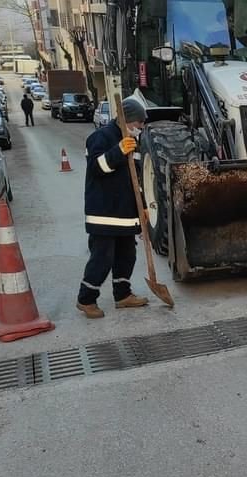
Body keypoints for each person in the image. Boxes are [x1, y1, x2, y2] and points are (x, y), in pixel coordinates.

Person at [76, 98, 149, 318]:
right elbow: (97, 168)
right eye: (137, 123)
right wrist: (117, 151)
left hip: (126, 214)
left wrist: (143, 208)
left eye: (142, 124)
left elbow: (135, 179)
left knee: (127, 256)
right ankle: (86, 299)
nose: (140, 128)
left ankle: (122, 294)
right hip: (104, 213)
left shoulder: (133, 142)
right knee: (102, 258)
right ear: (124, 119)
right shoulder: (100, 137)